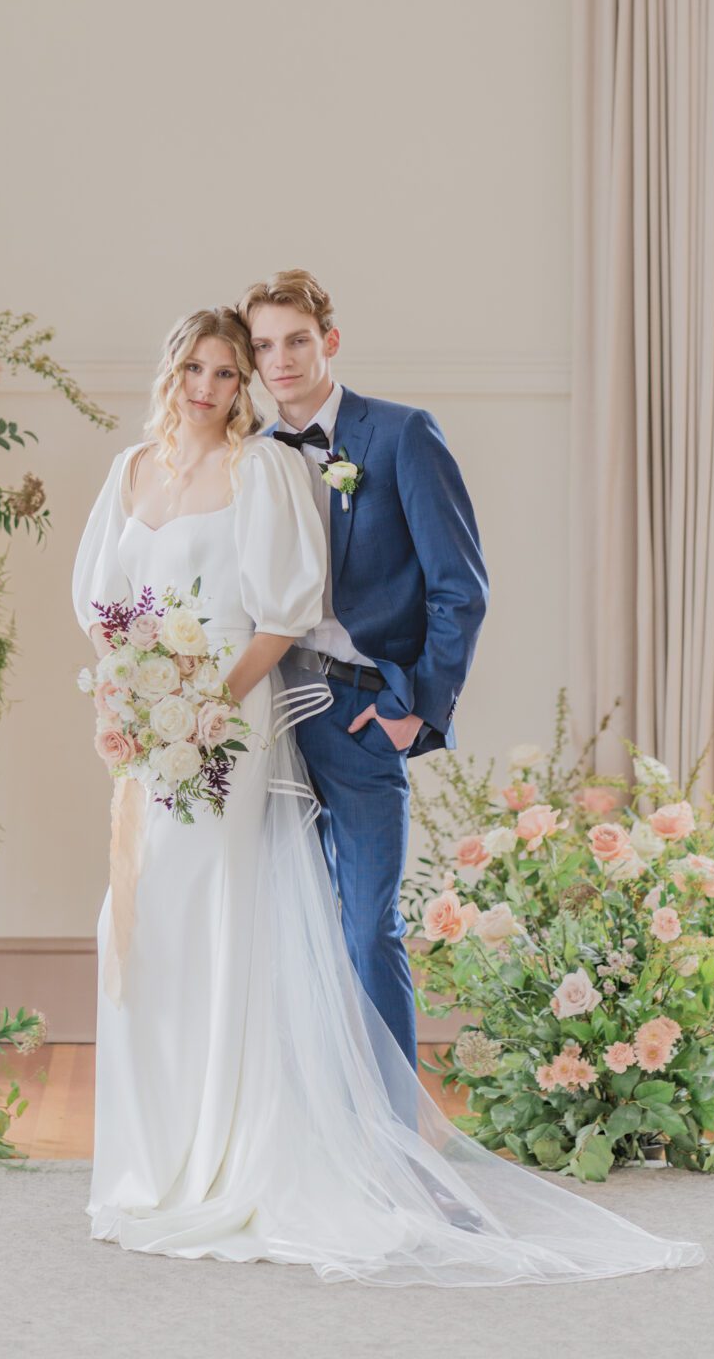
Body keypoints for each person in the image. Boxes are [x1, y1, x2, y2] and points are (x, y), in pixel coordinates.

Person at [71, 302, 702, 1285]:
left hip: (226, 732)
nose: (208, 386)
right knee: (140, 928)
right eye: (196, 367)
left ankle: (286, 1151)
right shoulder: (127, 471)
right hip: (146, 737)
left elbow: (284, 610)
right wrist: (125, 703)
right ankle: (155, 1165)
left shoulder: (267, 470)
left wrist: (205, 701)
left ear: (250, 385)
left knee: (255, 922)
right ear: (170, 370)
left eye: (228, 372)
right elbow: (101, 611)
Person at [238, 266, 486, 1068]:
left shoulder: (399, 433)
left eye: (297, 341)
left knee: (365, 926)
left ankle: (392, 1137)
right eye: (264, 345)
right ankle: (307, 1133)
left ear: (328, 342)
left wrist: (418, 710)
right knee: (282, 923)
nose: (281, 360)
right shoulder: (247, 456)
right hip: (267, 711)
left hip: (360, 711)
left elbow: (460, 587)